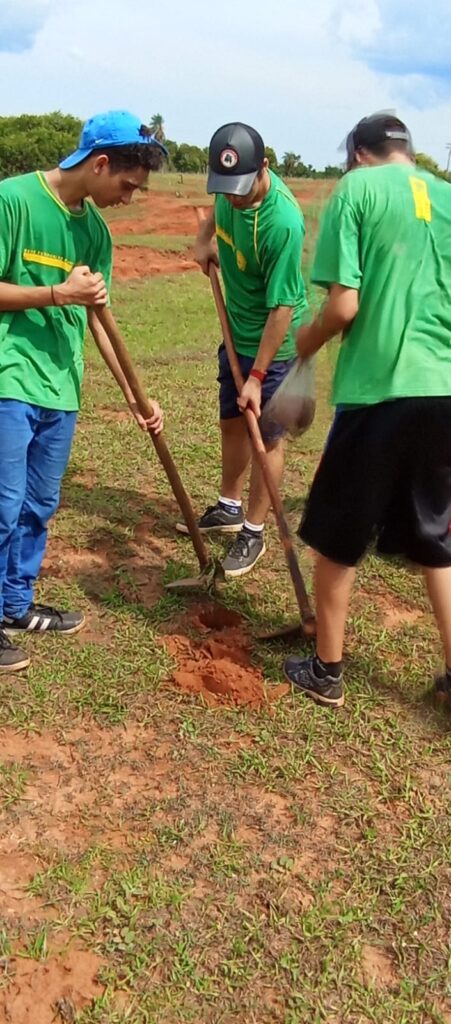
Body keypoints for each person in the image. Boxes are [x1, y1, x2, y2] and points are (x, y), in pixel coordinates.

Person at [283, 113, 451, 710]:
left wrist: (305, 344)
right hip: (443, 392)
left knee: (338, 534)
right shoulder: (446, 196)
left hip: (379, 391)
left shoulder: (355, 189)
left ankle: (326, 671)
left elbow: (344, 306)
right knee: (436, 535)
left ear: (357, 153)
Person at [0, 110, 166, 672]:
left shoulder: (94, 231)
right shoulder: (13, 201)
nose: (129, 196)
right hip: (9, 375)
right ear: (99, 164)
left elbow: (98, 318)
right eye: (127, 183)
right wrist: (56, 293)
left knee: (40, 505)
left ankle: (14, 607)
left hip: (61, 388)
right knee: (2, 506)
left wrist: (135, 399)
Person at [177, 122, 308, 577]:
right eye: (224, 188)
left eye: (240, 188)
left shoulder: (282, 222)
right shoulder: (227, 190)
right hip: (236, 332)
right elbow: (214, 210)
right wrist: (203, 240)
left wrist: (256, 377)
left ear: (263, 168)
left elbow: (283, 309)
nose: (231, 197)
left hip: (277, 345)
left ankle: (253, 530)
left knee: (267, 437)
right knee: (232, 423)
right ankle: (229, 507)